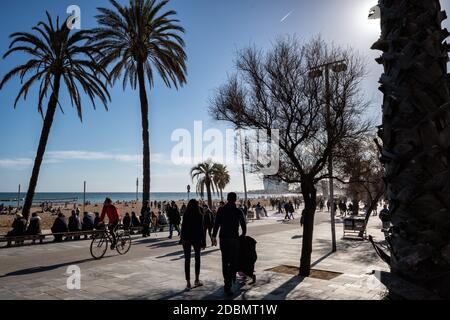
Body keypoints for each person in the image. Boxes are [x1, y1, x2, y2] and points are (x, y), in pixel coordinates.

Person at [212, 192, 247, 296]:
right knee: (233, 260)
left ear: (227, 199)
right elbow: (243, 224)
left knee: (225, 260)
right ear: (235, 199)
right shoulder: (238, 210)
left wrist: (214, 236)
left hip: (223, 238)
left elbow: (216, 224)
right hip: (234, 239)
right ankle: (231, 277)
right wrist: (243, 234)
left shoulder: (221, 210)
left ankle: (227, 283)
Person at [180, 199, 206, 291]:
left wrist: (181, 239)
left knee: (187, 260)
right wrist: (204, 241)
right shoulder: (200, 215)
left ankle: (188, 283)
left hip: (186, 239)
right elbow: (202, 229)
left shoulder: (186, 215)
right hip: (196, 239)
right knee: (197, 259)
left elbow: (183, 227)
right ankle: (197, 279)